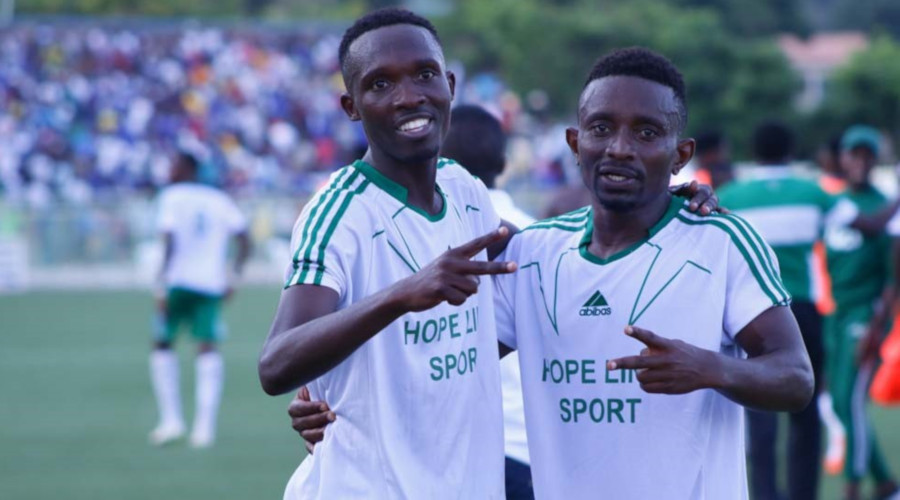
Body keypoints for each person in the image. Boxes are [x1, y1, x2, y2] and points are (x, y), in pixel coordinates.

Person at [289, 47, 812, 499]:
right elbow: (432, 360)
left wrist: (711, 368)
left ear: (680, 155)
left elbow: (794, 376)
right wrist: (328, 396)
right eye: (601, 128)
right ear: (573, 143)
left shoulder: (722, 242)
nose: (620, 148)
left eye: (647, 132)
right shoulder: (534, 253)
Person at [442, 104, 536, 498]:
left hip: (452, 447)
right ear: (502, 162)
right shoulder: (538, 237)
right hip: (526, 446)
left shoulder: (426, 235)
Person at [150, 151, 250, 448]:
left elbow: (168, 240)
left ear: (186, 168)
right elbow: (245, 239)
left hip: (178, 282)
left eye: (173, 165)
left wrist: (159, 285)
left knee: (163, 342)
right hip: (210, 283)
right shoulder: (218, 199)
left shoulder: (172, 196)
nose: (169, 170)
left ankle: (171, 420)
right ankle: (204, 427)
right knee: (206, 347)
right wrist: (235, 277)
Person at [823, 125, 899, 500]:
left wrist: (875, 326)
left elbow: (894, 277)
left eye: (868, 155)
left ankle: (852, 489)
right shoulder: (834, 204)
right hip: (834, 314)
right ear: (843, 158)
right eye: (854, 154)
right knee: (837, 402)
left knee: (851, 399)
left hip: (864, 314)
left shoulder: (884, 206)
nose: (860, 162)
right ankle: (885, 481)